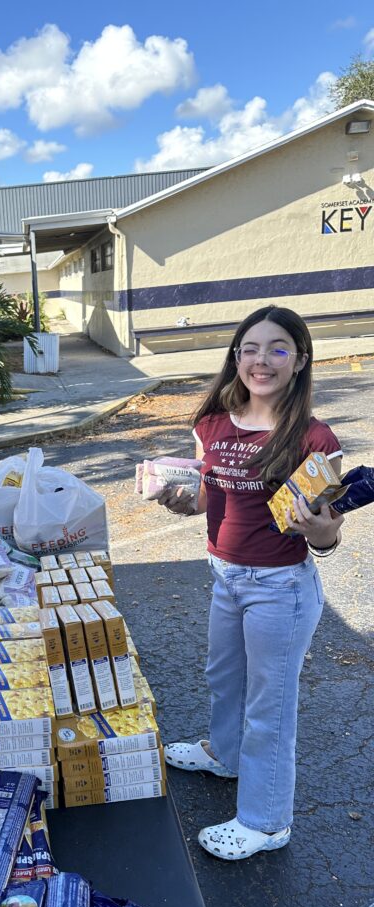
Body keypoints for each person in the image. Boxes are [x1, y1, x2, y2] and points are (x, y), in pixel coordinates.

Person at [160, 306, 344, 860]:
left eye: (277, 348)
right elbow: (205, 497)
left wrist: (319, 530)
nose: (261, 360)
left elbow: (329, 538)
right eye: (250, 348)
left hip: (280, 588)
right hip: (224, 576)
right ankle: (224, 754)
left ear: (299, 360)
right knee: (223, 677)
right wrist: (181, 499)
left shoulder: (315, 438)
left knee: (271, 705)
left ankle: (266, 823)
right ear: (236, 356)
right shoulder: (211, 425)